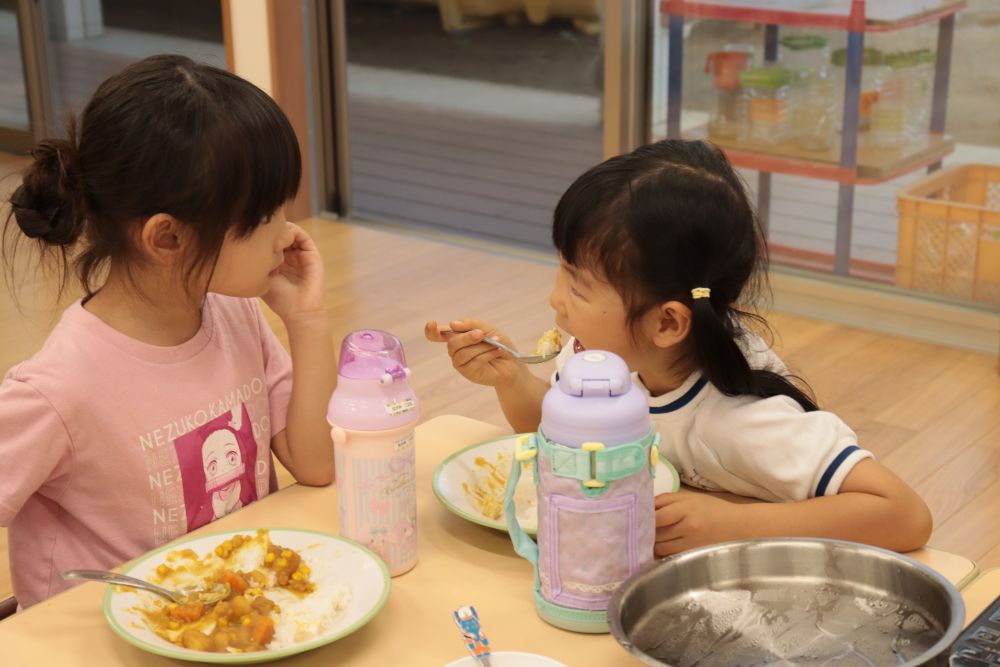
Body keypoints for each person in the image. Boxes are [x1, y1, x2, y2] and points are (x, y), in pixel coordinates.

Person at [426, 139, 931, 557]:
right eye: (561, 271)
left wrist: (733, 524)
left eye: (578, 286)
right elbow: (561, 434)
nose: (554, 300)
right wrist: (512, 380)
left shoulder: (742, 419)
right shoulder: (598, 358)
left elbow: (905, 516)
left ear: (667, 323)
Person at [0, 55, 335, 609]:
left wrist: (308, 319)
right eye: (265, 218)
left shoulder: (236, 315)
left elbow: (316, 464)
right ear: (168, 239)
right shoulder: (59, 389)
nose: (288, 235)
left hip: (233, 620)